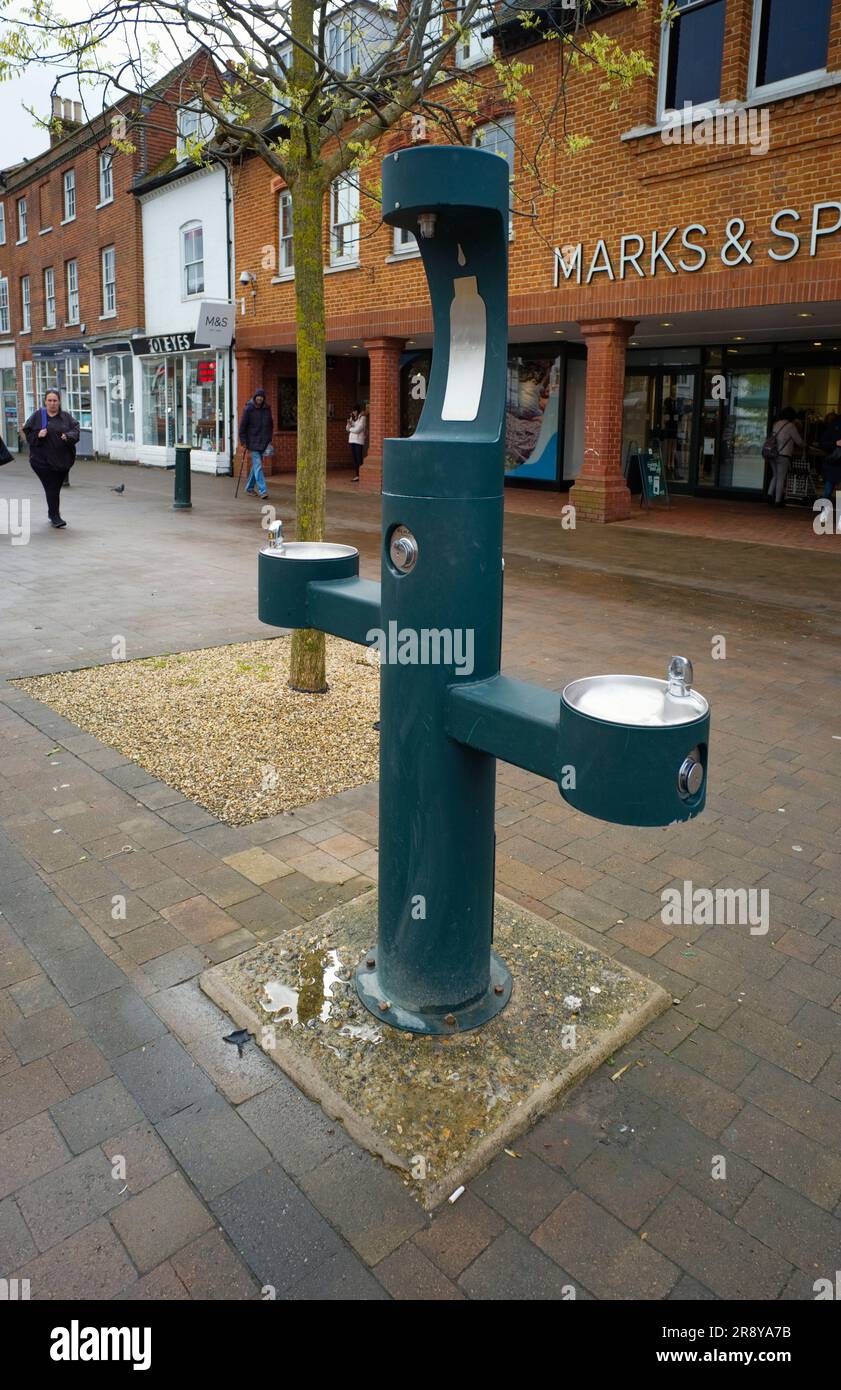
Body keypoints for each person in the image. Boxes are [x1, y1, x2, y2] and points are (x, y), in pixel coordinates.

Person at [23, 389, 79, 528]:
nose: (52, 403)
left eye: (55, 401)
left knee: (55, 488)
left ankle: (52, 513)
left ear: (59, 402)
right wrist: (38, 435)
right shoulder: (38, 416)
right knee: (52, 487)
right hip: (41, 461)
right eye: (49, 400)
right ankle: (55, 517)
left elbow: (76, 430)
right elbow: (27, 433)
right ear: (45, 402)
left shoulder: (66, 417)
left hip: (62, 461)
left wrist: (68, 436)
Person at [238, 388, 274, 499]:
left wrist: (269, 438)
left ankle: (249, 488)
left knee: (256, 467)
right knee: (258, 466)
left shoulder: (267, 409)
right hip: (252, 442)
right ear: (255, 397)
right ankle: (263, 490)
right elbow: (242, 427)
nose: (260, 398)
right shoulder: (248, 409)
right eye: (258, 396)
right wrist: (243, 441)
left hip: (263, 442)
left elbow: (270, 424)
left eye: (262, 397)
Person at [766, 406, 804, 508]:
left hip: (772, 453)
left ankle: (769, 495)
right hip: (783, 454)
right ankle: (778, 501)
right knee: (781, 478)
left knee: (775, 475)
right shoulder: (791, 426)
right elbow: (799, 441)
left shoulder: (776, 423)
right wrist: (806, 446)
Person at [817, 411, 841, 499]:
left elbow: (823, 443)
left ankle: (825, 506)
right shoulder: (834, 426)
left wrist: (834, 443)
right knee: (830, 484)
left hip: (833, 460)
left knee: (829, 484)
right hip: (835, 461)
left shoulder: (832, 426)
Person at [347, 406, 367, 481]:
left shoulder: (362, 418)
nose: (353, 412)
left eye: (354, 411)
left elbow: (358, 429)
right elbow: (347, 428)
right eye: (352, 411)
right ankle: (357, 475)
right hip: (352, 440)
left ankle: (361, 475)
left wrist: (350, 429)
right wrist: (349, 423)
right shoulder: (353, 418)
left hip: (358, 441)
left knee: (359, 458)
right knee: (355, 459)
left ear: (358, 411)